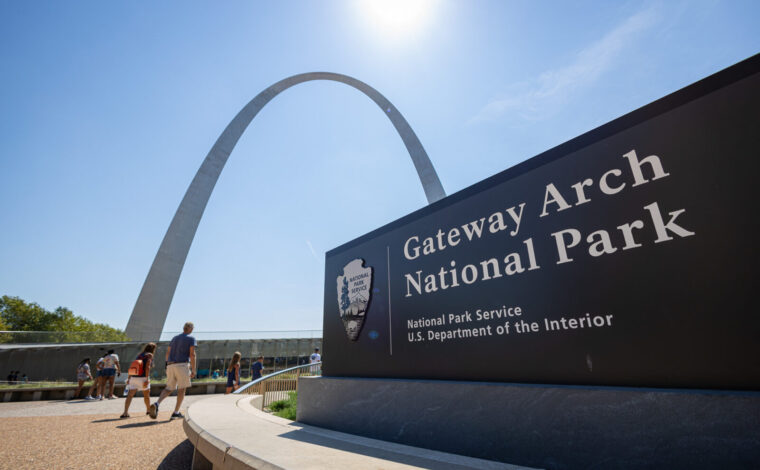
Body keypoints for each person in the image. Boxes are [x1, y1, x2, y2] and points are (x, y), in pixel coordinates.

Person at [150, 322, 196, 420]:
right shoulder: (191, 338)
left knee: (169, 388)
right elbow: (192, 354)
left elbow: (168, 352)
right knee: (182, 389)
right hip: (182, 365)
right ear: (190, 329)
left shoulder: (174, 338)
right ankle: (176, 412)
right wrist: (194, 369)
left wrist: (167, 365)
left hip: (170, 365)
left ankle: (157, 403)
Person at [121, 343, 155, 418]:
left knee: (130, 395)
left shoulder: (139, 355)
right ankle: (148, 410)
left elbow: (132, 366)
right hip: (143, 378)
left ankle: (125, 412)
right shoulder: (149, 355)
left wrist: (129, 378)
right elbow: (147, 367)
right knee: (146, 395)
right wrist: (146, 379)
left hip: (134, 377)